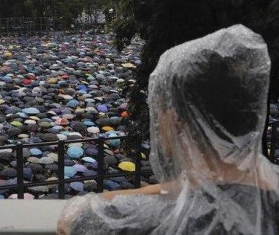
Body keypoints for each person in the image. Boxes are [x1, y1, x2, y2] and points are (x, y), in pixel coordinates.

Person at [57, 25, 279, 235]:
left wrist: (146, 193)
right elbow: (225, 188)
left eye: (159, 107)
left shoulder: (149, 220)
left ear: (176, 119)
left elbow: (73, 218)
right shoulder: (272, 196)